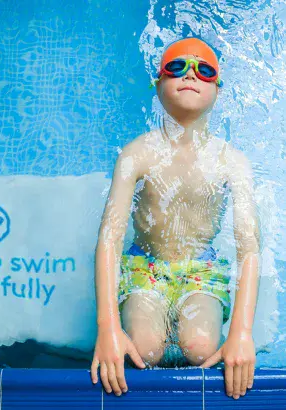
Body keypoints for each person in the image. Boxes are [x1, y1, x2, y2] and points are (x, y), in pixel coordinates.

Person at [90, 37, 261, 401]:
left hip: (202, 268)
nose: (191, 75)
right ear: (158, 82)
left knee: (200, 347)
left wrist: (242, 332)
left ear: (218, 88)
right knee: (144, 349)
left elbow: (250, 248)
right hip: (144, 265)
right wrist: (107, 329)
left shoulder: (232, 162)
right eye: (177, 67)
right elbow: (109, 239)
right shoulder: (137, 154)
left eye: (205, 70)